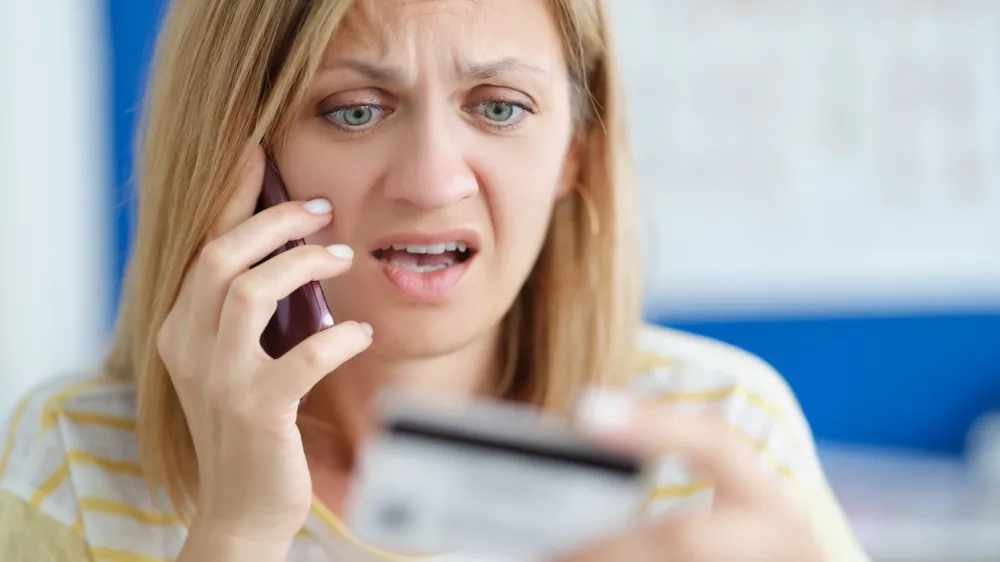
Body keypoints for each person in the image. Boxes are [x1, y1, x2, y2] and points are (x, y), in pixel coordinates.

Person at [0, 0, 870, 560]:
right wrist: (237, 530)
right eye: (353, 111)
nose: (429, 181)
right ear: (237, 162)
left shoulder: (717, 430)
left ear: (577, 153)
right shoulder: (76, 455)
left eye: (499, 107)